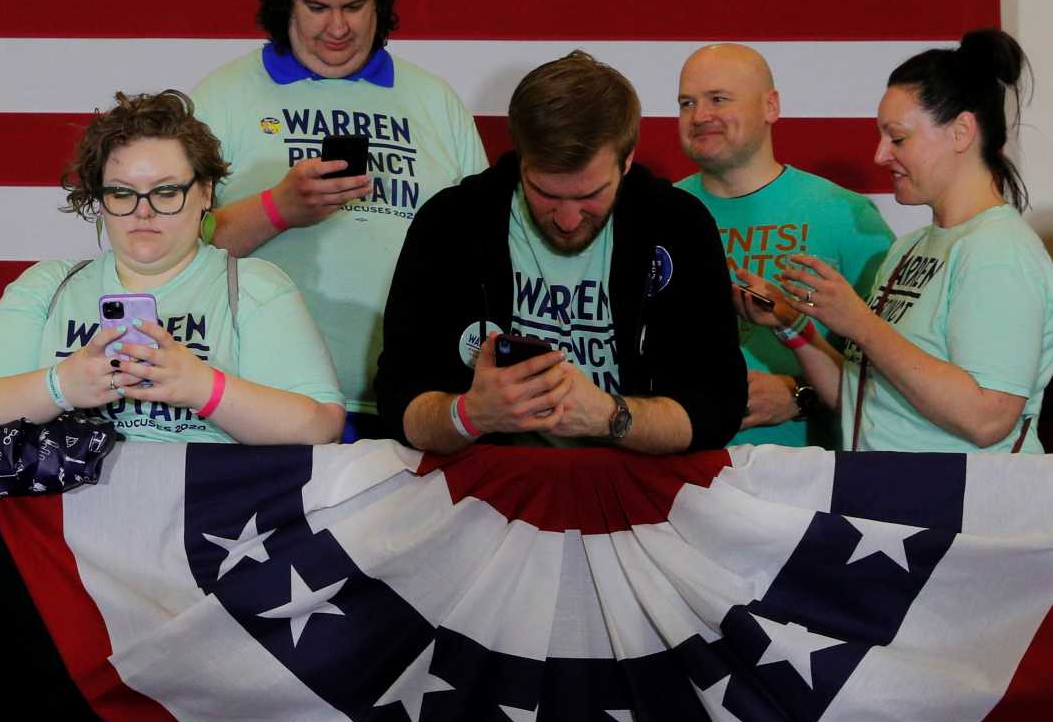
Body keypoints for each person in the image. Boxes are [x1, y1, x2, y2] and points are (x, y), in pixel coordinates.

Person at [192, 0, 486, 437]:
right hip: (263, 405)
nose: (338, 27)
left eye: (355, 5)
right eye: (317, 7)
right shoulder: (221, 98)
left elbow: (486, 249)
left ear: (381, 0)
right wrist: (278, 209)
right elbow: (172, 255)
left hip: (413, 405)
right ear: (286, 1)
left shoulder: (435, 101)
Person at [375, 51, 746, 454]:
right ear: (521, 161)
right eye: (546, 194)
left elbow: (717, 411)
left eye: (590, 195)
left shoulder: (678, 225)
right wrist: (470, 415)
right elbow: (399, 403)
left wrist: (610, 416)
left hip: (635, 494)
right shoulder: (451, 223)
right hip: (487, 491)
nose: (568, 220)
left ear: (627, 161)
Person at [0, 90, 345, 444]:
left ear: (205, 192)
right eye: (122, 193)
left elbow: (320, 426)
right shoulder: (48, 286)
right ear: (99, 199)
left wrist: (204, 389)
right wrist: (60, 387)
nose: (144, 211)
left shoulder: (253, 287)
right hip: (64, 520)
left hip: (209, 517)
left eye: (166, 191)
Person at [736, 29, 1053, 452]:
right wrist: (791, 325)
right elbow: (862, 402)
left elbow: (987, 418)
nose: (880, 155)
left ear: (961, 132)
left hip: (962, 513)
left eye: (898, 138)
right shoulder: (910, 247)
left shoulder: (1000, 252)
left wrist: (861, 325)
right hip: (888, 505)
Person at [674, 44, 895, 448]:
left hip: (809, 483)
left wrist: (800, 396)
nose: (699, 115)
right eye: (687, 103)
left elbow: (896, 373)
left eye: (718, 99)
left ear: (770, 106)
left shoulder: (847, 217)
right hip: (680, 475)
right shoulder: (658, 215)